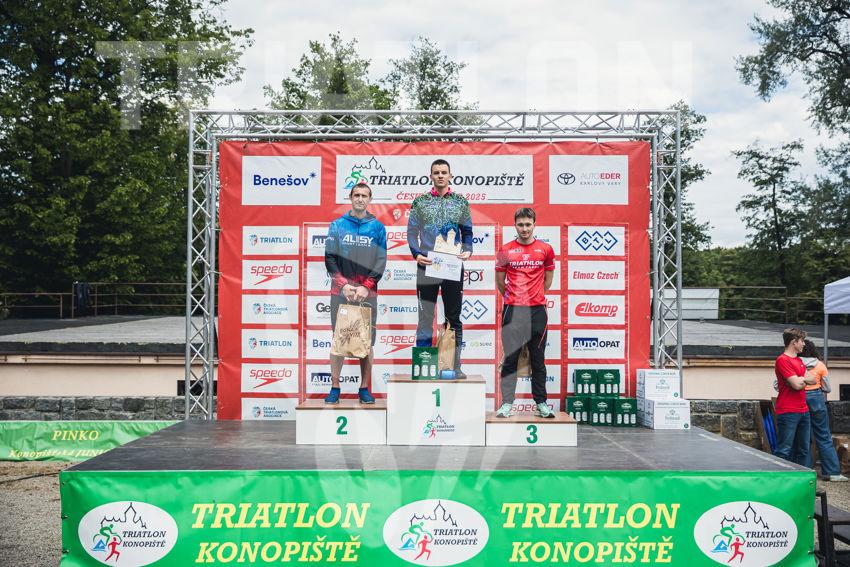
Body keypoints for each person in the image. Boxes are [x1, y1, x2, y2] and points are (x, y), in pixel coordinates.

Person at [407, 159, 473, 375]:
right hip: (427, 265)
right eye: (436, 173)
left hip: (452, 265)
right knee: (425, 317)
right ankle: (423, 366)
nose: (440, 176)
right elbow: (411, 233)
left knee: (453, 318)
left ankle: (454, 366)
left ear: (450, 176)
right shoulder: (420, 202)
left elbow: (467, 232)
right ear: (431, 176)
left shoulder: (461, 202)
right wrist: (417, 254)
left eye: (444, 172)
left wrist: (468, 250)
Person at [324, 181, 387, 404]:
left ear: (370, 199)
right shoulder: (337, 225)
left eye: (364, 195)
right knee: (338, 339)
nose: (360, 199)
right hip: (340, 293)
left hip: (367, 294)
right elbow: (330, 257)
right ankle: (335, 387)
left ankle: (364, 388)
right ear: (350, 198)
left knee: (366, 342)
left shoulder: (377, 228)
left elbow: (381, 260)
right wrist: (343, 285)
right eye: (356, 195)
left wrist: (365, 286)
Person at [494, 207, 556, 419]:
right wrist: (515, 298)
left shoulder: (546, 249)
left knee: (538, 359)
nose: (524, 229)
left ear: (534, 225)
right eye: (520, 225)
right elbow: (500, 282)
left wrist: (534, 296)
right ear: (515, 226)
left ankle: (541, 403)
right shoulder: (505, 250)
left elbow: (548, 280)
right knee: (510, 359)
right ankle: (506, 404)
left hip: (537, 311)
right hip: (513, 310)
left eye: (528, 224)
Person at [800, 339, 848, 481]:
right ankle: (832, 472)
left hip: (800, 397)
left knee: (804, 437)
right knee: (823, 436)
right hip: (816, 399)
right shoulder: (820, 365)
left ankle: (805, 471)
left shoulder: (795, 364)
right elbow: (827, 388)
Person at [773, 328, 817, 465]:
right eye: (802, 341)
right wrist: (800, 380)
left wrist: (798, 379)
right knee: (784, 450)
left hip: (803, 411)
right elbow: (797, 385)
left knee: (804, 449)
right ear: (794, 342)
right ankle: (779, 476)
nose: (804, 344)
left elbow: (813, 380)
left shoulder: (799, 360)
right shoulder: (782, 360)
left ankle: (802, 477)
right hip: (788, 411)